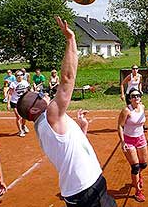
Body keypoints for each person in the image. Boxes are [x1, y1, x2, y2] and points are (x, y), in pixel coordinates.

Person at [16, 16, 116, 207]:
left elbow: (68, 150)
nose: (44, 95)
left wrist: (82, 129)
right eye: (39, 96)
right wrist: (71, 39)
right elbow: (68, 78)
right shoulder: (51, 116)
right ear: (35, 108)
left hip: (84, 190)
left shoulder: (47, 124)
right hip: (87, 193)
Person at [117, 88, 148, 203]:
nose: (136, 98)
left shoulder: (143, 107)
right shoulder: (126, 111)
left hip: (140, 138)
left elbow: (141, 121)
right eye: (133, 96)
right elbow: (120, 126)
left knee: (143, 164)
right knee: (135, 167)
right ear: (130, 99)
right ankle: (138, 191)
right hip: (128, 140)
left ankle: (138, 177)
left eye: (138, 96)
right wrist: (123, 141)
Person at [7, 70, 30, 137]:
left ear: (23, 76)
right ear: (15, 76)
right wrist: (8, 103)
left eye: (21, 75)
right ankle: (20, 131)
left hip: (23, 102)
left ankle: (23, 125)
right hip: (14, 102)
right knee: (18, 117)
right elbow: (10, 94)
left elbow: (29, 90)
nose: (19, 76)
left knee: (24, 116)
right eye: (18, 75)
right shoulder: (13, 84)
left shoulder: (25, 82)